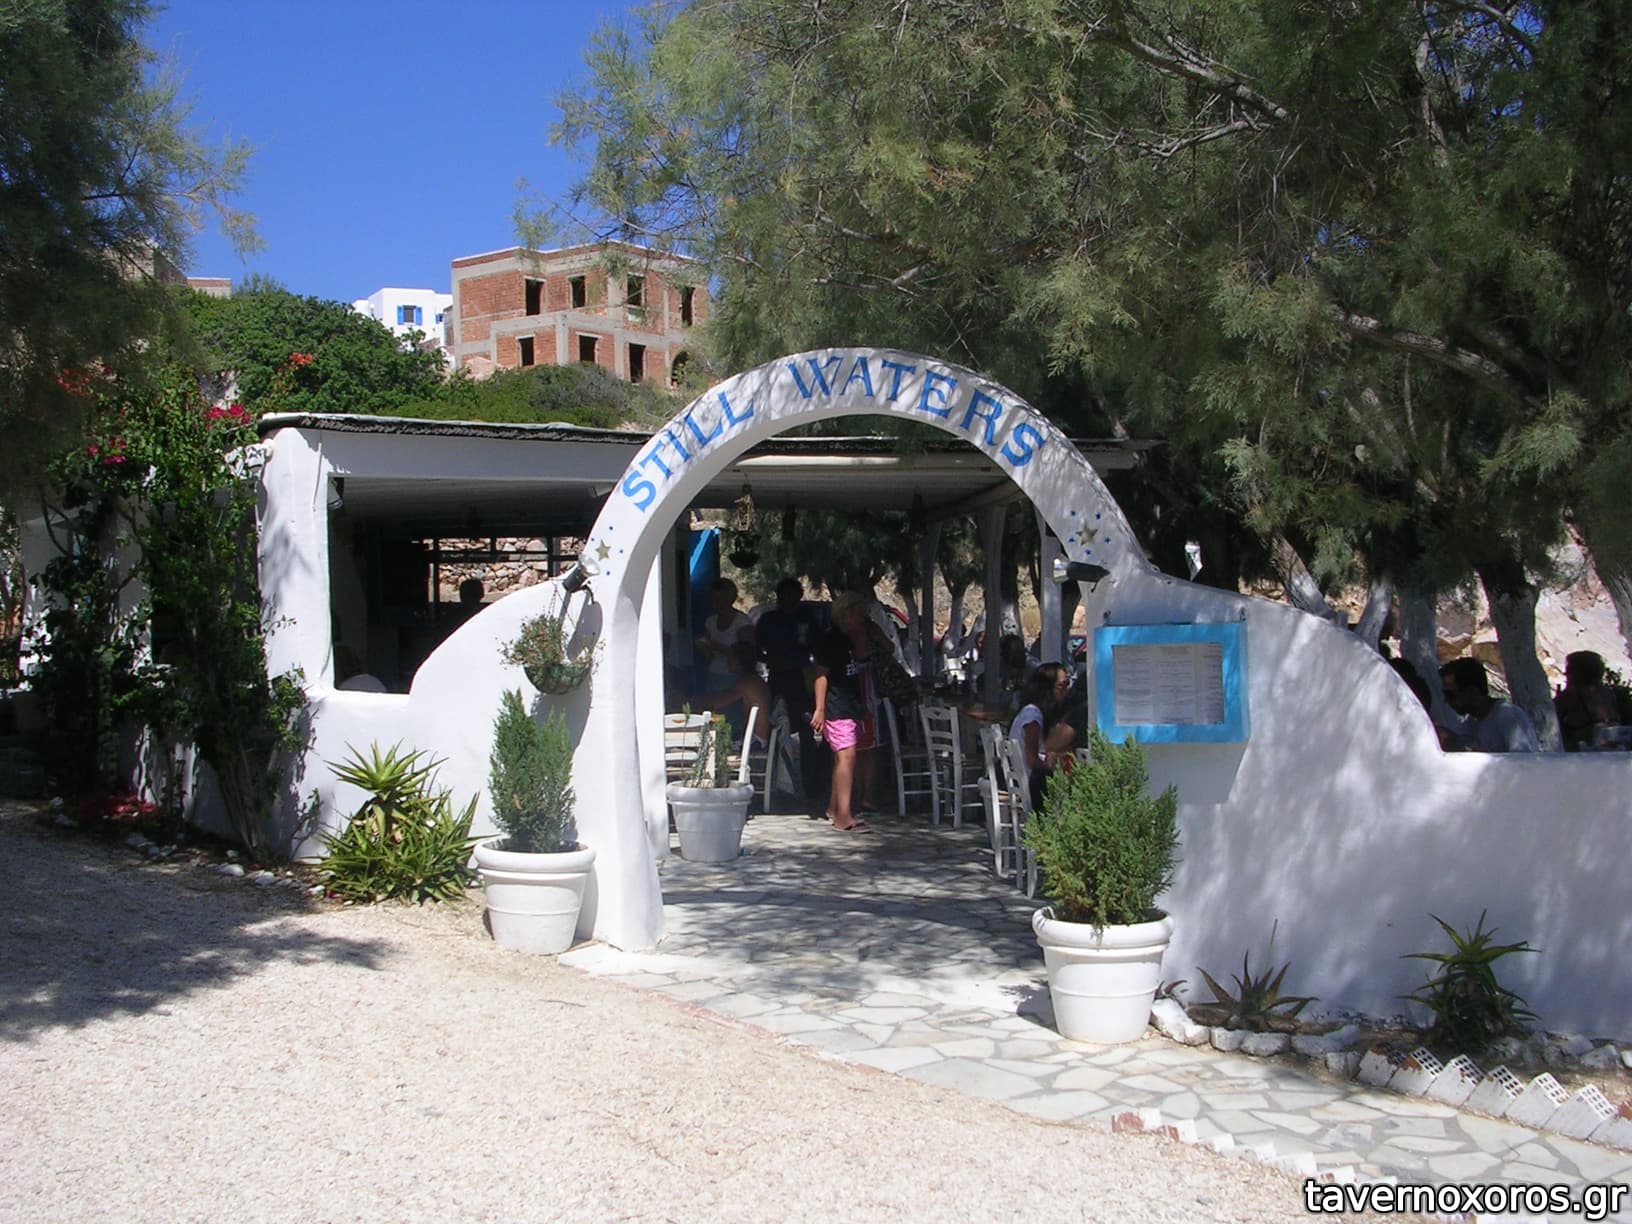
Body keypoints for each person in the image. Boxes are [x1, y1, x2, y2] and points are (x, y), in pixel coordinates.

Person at [811, 590, 879, 833]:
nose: (861, 619)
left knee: (844, 758)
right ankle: (844, 815)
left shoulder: (849, 639)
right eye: (858, 614)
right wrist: (820, 709)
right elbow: (820, 675)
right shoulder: (832, 640)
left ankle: (834, 807)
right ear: (847, 614)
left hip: (851, 704)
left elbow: (863, 656)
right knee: (846, 757)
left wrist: (861, 634)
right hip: (836, 706)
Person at [754, 576, 818, 797]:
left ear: (799, 596)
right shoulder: (769, 619)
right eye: (785, 595)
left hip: (801, 678)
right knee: (775, 728)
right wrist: (772, 658)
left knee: (807, 729)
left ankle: (811, 784)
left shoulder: (806, 617)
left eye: (794, 595)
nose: (789, 599)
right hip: (778, 677)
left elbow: (817, 645)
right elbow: (758, 647)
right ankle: (778, 783)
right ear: (779, 597)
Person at [1437, 657, 1540, 752]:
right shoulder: (1470, 723)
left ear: (1472, 692)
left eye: (1450, 695)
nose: (1446, 700)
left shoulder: (1509, 717)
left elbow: (1523, 761)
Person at [1009, 662, 1076, 806]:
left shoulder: (1032, 712)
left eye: (1068, 684)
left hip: (1025, 780)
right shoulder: (1032, 716)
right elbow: (1032, 760)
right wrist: (1051, 766)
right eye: (1062, 685)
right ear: (1047, 689)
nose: (1067, 690)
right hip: (1030, 783)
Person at [696, 641, 772, 748]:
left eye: (730, 657)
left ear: (738, 660)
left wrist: (691, 702)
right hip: (758, 739)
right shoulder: (755, 680)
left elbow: (717, 702)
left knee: (712, 746)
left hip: (754, 742)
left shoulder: (747, 682)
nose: (727, 661)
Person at [1554, 650, 1619, 751]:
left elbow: (1549, 715)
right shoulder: (1607, 693)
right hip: (1612, 747)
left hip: (1582, 750)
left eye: (1569, 670)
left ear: (1577, 673)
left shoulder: (1571, 695)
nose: (1566, 674)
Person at [695, 577, 754, 684]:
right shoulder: (710, 621)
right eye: (712, 598)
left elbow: (746, 656)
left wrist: (719, 647)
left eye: (720, 598)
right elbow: (709, 657)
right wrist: (703, 646)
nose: (715, 602)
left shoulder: (742, 621)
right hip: (713, 674)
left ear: (730, 598)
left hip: (735, 678)